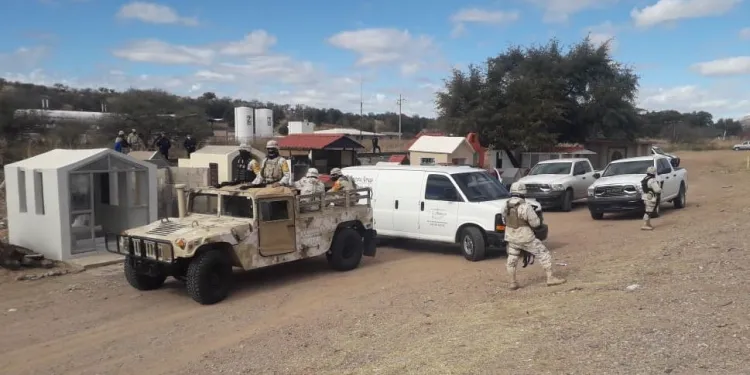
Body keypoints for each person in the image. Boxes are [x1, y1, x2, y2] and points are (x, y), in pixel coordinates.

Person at [502, 182, 566, 290]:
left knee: (512, 260)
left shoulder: (506, 205)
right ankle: (550, 278)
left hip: (511, 237)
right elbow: (535, 223)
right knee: (543, 253)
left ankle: (513, 282)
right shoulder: (525, 207)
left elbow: (504, 220)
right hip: (526, 238)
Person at [641, 166, 662, 230]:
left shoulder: (645, 179)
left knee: (648, 210)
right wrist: (660, 189)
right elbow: (657, 190)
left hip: (645, 196)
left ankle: (648, 223)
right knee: (649, 211)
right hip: (651, 197)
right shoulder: (652, 180)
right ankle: (645, 224)